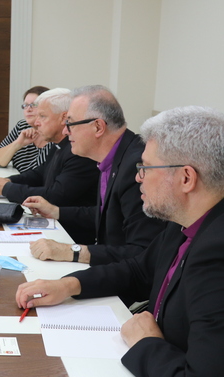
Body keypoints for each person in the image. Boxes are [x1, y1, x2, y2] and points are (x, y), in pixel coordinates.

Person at [16, 106, 224, 377]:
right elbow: (138, 270)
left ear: (186, 178)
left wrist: (146, 343)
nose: (138, 178)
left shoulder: (216, 257)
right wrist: (69, 285)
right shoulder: (185, 221)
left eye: (146, 168)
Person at [22, 85, 167, 262]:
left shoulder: (136, 167)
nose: (65, 131)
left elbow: (142, 252)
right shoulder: (115, 156)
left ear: (98, 127)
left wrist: (74, 252)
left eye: (70, 124)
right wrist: (56, 211)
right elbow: (108, 215)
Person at [0, 88, 99, 207]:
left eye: (42, 116)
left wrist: (6, 188)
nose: (37, 123)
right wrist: (8, 181)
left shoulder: (79, 149)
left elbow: (56, 196)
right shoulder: (58, 144)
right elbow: (40, 174)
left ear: (64, 118)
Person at [0, 86, 56, 173]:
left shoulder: (55, 135)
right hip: (13, 180)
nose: (28, 109)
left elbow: (40, 175)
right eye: (25, 105)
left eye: (34, 105)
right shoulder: (22, 126)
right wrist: (17, 144)